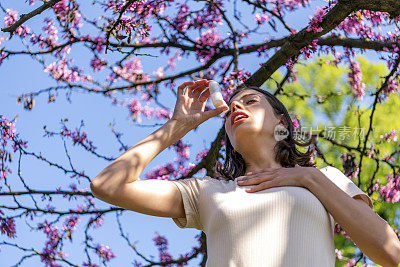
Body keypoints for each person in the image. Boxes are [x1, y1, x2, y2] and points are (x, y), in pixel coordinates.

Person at [90, 79, 374, 266]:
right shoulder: (207, 192)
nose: (236, 106)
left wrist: (308, 178)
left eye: (251, 101)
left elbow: (390, 252)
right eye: (230, 111)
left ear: (281, 122)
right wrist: (177, 126)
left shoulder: (324, 178)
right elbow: (107, 185)